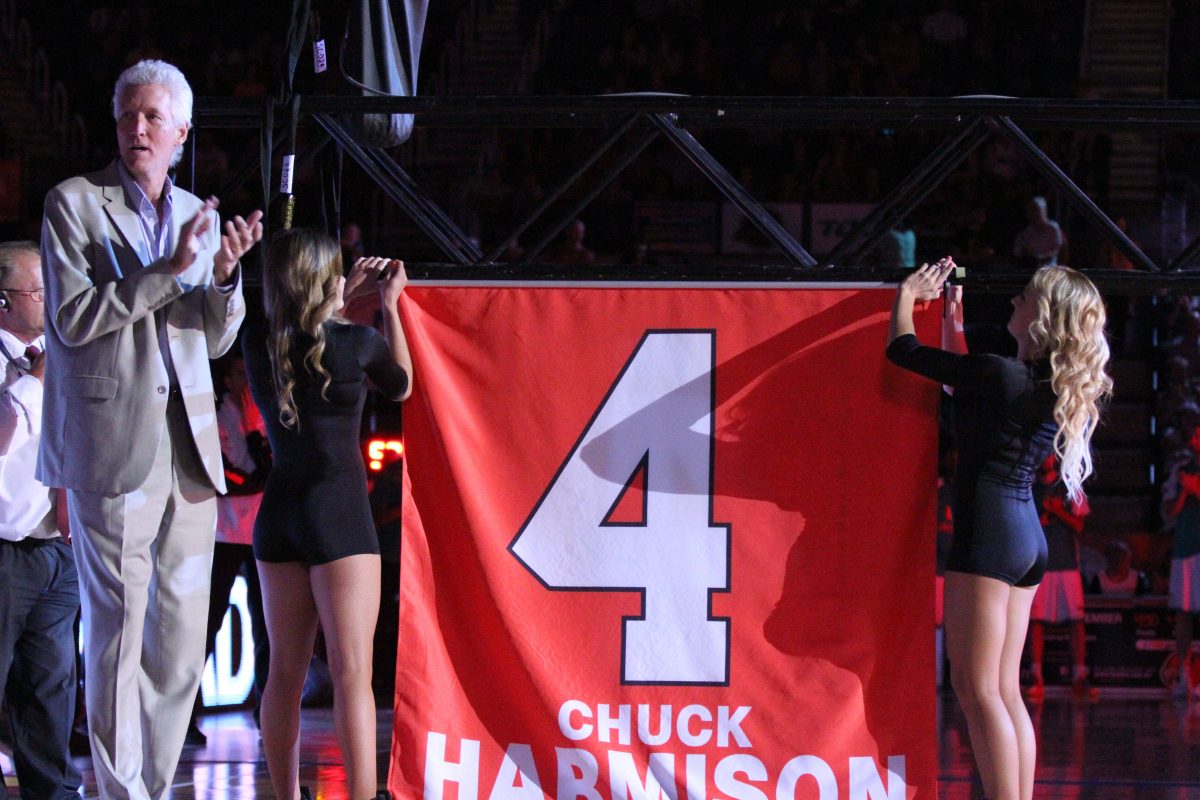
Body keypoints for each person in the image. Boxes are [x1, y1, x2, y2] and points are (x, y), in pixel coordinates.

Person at [37, 59, 262, 800]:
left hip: (191, 455)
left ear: (181, 133)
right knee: (116, 639)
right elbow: (71, 320)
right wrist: (169, 271)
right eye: (129, 115)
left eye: (153, 118)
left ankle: (155, 789)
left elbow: (215, 343)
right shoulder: (73, 204)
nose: (138, 128)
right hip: (113, 451)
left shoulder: (196, 208)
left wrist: (224, 277)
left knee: (176, 649)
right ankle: (119, 791)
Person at [887, 259, 1111, 800]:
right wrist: (953, 316)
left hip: (990, 534)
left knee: (977, 687)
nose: (1013, 303)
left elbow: (903, 352)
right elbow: (960, 384)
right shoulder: (1029, 383)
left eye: (1024, 297)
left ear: (1043, 318)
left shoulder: (1002, 375)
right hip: (1024, 536)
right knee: (1002, 690)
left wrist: (905, 296)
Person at [243, 229, 411, 800]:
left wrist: (338, 297)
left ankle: (286, 795)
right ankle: (364, 796)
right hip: (339, 516)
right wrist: (386, 305)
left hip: (278, 516)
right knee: (351, 675)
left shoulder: (256, 341)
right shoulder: (359, 343)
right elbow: (403, 386)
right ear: (327, 282)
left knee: (283, 675)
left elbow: (305, 327)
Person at [0, 241, 81, 799]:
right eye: (38, 290)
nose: (52, 299)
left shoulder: (64, 351)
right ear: (4, 302)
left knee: (51, 687)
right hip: (3, 549)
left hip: (57, 545)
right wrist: (34, 381)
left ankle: (52, 792)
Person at [1024, 455, 1095, 701]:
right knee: (1036, 621)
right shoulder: (1028, 487)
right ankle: (1036, 677)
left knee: (1076, 620)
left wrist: (1057, 511)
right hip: (1039, 565)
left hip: (1067, 565)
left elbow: (1079, 525)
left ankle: (1079, 676)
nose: (1045, 457)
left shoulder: (1070, 484)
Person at [1163, 424, 1200, 700]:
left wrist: (1196, 489)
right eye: (1194, 433)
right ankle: (1185, 674)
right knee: (1183, 611)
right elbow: (1170, 513)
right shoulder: (1182, 470)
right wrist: (1186, 492)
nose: (1194, 438)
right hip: (1184, 549)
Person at [1013, 196, 1066, 269]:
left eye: (1037, 210)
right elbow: (1019, 253)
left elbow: (1059, 249)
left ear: (1044, 211)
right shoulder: (1026, 233)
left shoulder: (1053, 228)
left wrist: (1043, 256)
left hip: (1051, 267)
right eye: (1031, 211)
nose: (1034, 214)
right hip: (1031, 268)